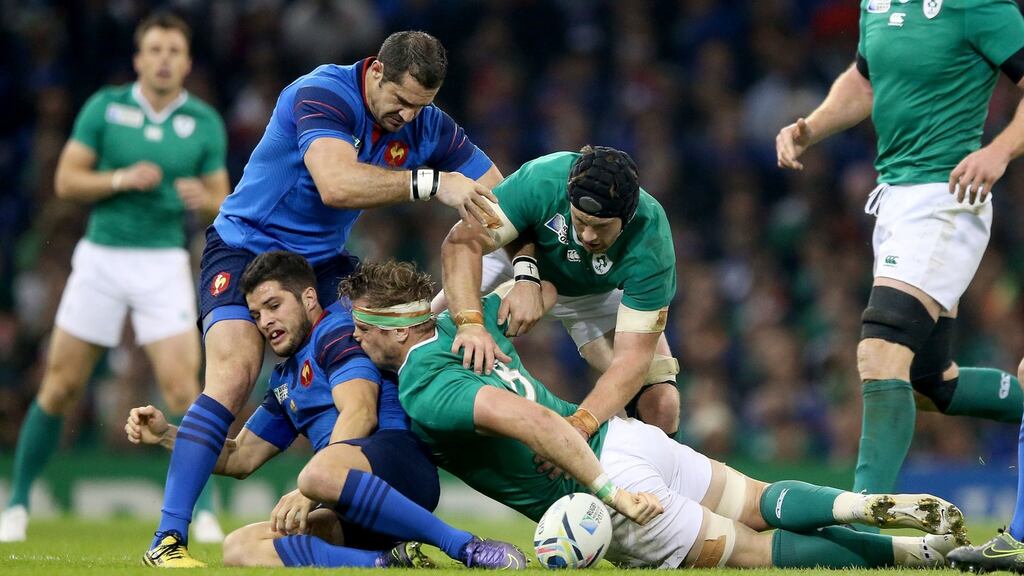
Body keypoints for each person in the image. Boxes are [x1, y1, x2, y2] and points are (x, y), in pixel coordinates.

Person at [342, 259, 969, 569]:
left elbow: (534, 423)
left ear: (386, 331)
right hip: (630, 437)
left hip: (598, 486)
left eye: (359, 330)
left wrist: (606, 490)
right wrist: (520, 277)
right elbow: (550, 288)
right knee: (756, 498)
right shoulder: (464, 321)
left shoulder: (422, 383)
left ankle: (919, 555)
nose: (355, 342)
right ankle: (855, 506)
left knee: (756, 552)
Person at [146, 30, 504, 565]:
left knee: (387, 348)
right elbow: (335, 184)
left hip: (324, 261)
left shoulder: (428, 123)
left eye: (421, 106)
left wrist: (522, 264)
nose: (408, 117)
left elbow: (501, 197)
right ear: (376, 73)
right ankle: (168, 539)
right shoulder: (324, 93)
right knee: (235, 374)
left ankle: (376, 499)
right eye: (401, 101)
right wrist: (432, 183)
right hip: (247, 245)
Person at [775, 0, 1024, 533]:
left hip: (947, 195)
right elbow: (864, 81)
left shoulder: (980, 6)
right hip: (894, 200)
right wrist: (810, 128)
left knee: (880, 348)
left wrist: (999, 152)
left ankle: (859, 525)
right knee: (930, 384)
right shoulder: (879, 3)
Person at [128, 251, 526, 569]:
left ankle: (466, 548)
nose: (265, 322)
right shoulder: (283, 379)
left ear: (308, 297)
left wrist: (309, 488)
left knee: (319, 471)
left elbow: (360, 413)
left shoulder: (334, 333)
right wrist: (166, 435)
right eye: (255, 315)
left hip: (398, 468)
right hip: (347, 502)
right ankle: (385, 562)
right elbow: (239, 457)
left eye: (273, 306)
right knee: (241, 547)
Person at [0, 12, 229, 543]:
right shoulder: (105, 108)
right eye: (155, 49)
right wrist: (122, 177)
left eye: (174, 50)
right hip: (102, 258)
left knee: (182, 389)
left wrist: (205, 198)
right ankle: (16, 503)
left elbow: (224, 199)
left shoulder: (205, 121)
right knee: (61, 386)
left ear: (187, 62)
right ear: (138, 59)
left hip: (163, 263)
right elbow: (65, 180)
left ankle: (208, 508)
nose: (165, 58)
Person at [438, 146, 680, 441]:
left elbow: (632, 362)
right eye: (580, 221)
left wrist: (580, 426)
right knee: (423, 335)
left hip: (593, 294)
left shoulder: (651, 241)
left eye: (601, 226)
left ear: (627, 217)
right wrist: (471, 324)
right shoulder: (544, 179)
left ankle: (652, 485)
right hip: (510, 260)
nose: (588, 235)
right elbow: (460, 242)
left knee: (661, 403)